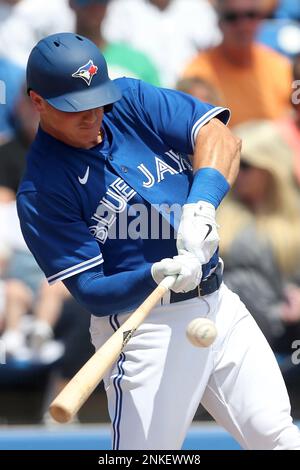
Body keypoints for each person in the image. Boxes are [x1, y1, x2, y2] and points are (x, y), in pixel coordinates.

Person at [16, 32, 300, 450]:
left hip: (220, 303)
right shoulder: (41, 190)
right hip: (143, 328)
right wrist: (153, 274)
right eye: (76, 108)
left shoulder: (128, 100)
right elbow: (91, 291)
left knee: (277, 438)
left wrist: (200, 206)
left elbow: (220, 137)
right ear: (38, 102)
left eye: (97, 100)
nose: (92, 115)